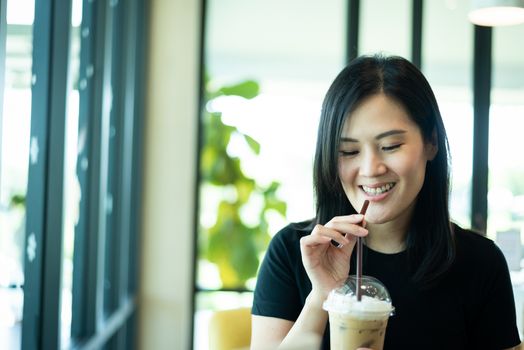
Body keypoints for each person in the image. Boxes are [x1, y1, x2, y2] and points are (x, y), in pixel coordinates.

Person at [250, 54, 521, 349]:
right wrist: (320, 296)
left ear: (431, 142)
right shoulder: (292, 252)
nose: (371, 169)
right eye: (349, 152)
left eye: (390, 146)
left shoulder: (480, 262)